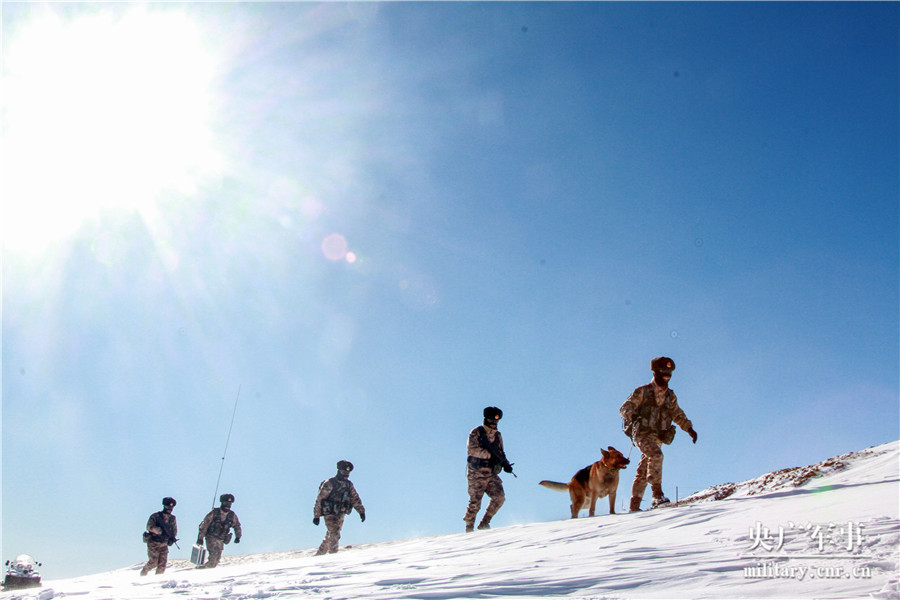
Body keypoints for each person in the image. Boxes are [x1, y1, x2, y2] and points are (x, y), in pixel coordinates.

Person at [620, 357, 698, 511]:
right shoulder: (643, 391)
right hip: (642, 434)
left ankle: (634, 506)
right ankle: (657, 495)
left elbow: (678, 414)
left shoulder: (670, 396)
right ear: (656, 372)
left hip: (658, 437)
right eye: (664, 372)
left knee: (643, 470)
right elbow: (624, 409)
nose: (667, 376)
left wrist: (689, 429)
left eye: (669, 373)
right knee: (656, 456)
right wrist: (634, 416)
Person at [464, 406, 514, 532]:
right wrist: (489, 456)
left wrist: (505, 464)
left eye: (496, 421)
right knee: (475, 503)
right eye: (492, 420)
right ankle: (469, 529)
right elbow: (472, 450)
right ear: (486, 419)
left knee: (500, 497)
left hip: (490, 473)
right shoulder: (476, 432)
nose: (494, 423)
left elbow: (500, 452)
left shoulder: (497, 435)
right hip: (476, 473)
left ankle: (485, 523)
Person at [313, 460, 366, 555]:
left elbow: (355, 498)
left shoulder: (348, 485)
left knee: (331, 534)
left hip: (341, 513)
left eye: (348, 472)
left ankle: (320, 555)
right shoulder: (329, 483)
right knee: (334, 533)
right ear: (339, 471)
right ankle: (333, 557)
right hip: (329, 513)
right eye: (344, 472)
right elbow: (320, 499)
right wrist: (316, 516)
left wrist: (361, 511)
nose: (346, 474)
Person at [196, 493, 242, 569]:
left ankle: (204, 569)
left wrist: (238, 536)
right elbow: (204, 525)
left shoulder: (232, 515)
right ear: (222, 503)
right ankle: (203, 571)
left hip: (221, 539)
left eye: (230, 503)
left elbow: (237, 526)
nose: (228, 505)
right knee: (213, 556)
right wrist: (200, 538)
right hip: (211, 537)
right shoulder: (214, 512)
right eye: (226, 503)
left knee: (217, 559)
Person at [140, 497, 178, 576]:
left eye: (171, 507)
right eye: (168, 507)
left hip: (164, 544)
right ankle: (144, 572)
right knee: (153, 562)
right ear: (164, 506)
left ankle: (157, 582)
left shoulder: (172, 518)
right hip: (154, 543)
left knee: (162, 565)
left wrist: (172, 538)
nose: (170, 509)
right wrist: (159, 531)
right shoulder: (156, 516)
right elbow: (149, 527)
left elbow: (174, 530)